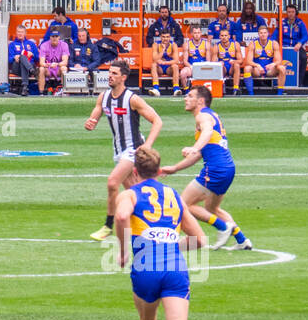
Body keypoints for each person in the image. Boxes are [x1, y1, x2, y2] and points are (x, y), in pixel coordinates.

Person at [114, 144, 207, 320]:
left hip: (145, 267)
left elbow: (120, 216)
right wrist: (172, 242)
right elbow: (200, 240)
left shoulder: (130, 193)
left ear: (134, 171)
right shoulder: (175, 196)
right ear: (158, 170)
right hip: (175, 267)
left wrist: (122, 251)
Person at [160, 86, 252, 250]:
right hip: (227, 168)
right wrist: (174, 168)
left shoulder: (202, 116)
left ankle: (223, 228)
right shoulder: (212, 115)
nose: (185, 99)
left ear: (200, 101)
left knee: (184, 205)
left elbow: (207, 133)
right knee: (212, 208)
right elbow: (199, 154)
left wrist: (194, 147)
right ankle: (242, 240)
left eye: (189, 96)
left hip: (215, 169)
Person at [84, 59, 163, 241]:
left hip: (132, 150)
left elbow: (157, 120)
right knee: (135, 192)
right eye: (109, 73)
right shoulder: (103, 97)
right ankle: (154, 224)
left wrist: (148, 145)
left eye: (114, 74)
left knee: (113, 183)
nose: (109, 76)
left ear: (123, 78)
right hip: (118, 150)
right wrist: (90, 123)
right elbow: (94, 116)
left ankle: (108, 226)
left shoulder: (132, 99)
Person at [248, 24, 286, 94]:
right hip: (257, 70)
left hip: (269, 70)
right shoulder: (253, 43)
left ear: (268, 34)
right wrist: (257, 66)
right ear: (258, 34)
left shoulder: (273, 43)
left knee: (282, 68)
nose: (263, 35)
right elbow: (249, 61)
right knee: (247, 68)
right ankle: (250, 93)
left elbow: (279, 60)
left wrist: (273, 64)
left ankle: (280, 93)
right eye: (261, 33)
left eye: (265, 33)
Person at [279, 3, 308, 86]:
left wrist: (300, 43)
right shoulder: (282, 23)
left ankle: (300, 82)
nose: (290, 14)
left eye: (292, 12)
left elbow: (305, 36)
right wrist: (276, 45)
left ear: (296, 12)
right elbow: (275, 36)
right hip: (284, 47)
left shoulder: (300, 23)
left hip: (296, 47)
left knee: (304, 58)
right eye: (289, 12)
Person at [211, 26, 247, 95]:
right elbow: (213, 63)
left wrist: (234, 61)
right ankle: (220, 88)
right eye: (222, 35)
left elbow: (241, 61)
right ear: (219, 37)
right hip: (223, 68)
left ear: (229, 36)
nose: (224, 37)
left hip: (231, 68)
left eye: (225, 35)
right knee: (219, 67)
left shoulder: (235, 44)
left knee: (236, 65)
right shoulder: (216, 46)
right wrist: (218, 63)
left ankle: (236, 89)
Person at [7, 24, 39, 95]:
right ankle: (32, 70)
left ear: (25, 33)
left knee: (23, 62)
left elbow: (38, 58)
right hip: (16, 68)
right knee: (22, 57)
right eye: (18, 32)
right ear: (16, 33)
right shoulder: (12, 44)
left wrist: (32, 54)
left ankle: (25, 87)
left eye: (22, 32)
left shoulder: (31, 44)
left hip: (30, 64)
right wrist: (14, 57)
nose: (20, 34)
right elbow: (9, 59)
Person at [148, 29, 180, 96]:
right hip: (160, 68)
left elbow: (176, 60)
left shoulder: (173, 45)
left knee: (175, 66)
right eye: (163, 37)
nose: (165, 39)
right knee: (153, 65)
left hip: (169, 68)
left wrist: (165, 63)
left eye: (167, 37)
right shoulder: (156, 44)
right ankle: (156, 89)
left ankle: (176, 89)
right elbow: (155, 59)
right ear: (160, 37)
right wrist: (162, 51)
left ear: (170, 37)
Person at [178, 25, 209, 89]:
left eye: (198, 33)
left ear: (201, 33)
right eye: (195, 33)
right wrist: (191, 67)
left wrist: (202, 67)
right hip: (191, 67)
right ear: (192, 34)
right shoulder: (187, 44)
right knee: (183, 73)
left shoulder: (206, 44)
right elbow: (185, 61)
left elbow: (208, 61)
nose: (197, 35)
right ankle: (186, 90)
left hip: (203, 67)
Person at [38, 29, 69, 95]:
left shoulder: (64, 45)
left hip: (58, 68)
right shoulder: (44, 45)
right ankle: (41, 92)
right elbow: (41, 63)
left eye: (56, 36)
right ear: (50, 37)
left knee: (64, 68)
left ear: (59, 37)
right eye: (53, 36)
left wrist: (57, 64)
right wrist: (48, 65)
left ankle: (63, 91)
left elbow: (65, 62)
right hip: (48, 68)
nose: (54, 38)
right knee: (41, 69)